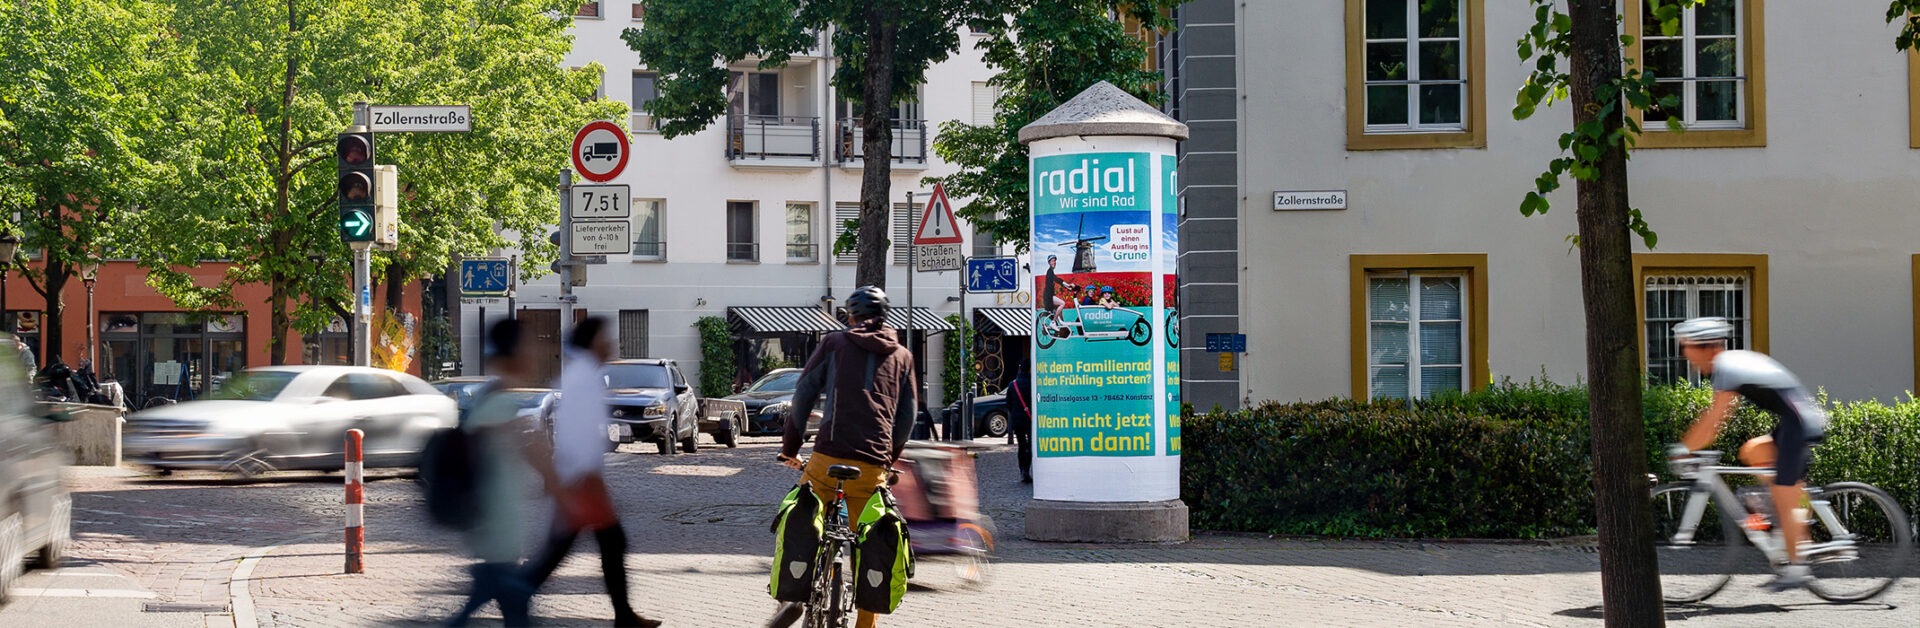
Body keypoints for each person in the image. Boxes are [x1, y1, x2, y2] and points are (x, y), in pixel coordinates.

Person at [770, 286, 917, 628]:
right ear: (886, 317)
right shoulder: (903, 357)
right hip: (871, 466)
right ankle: (865, 622)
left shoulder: (834, 343)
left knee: (804, 516)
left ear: (849, 317)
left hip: (826, 459)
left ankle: (792, 596)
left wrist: (790, 449)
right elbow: (906, 419)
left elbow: (804, 392)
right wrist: (889, 459)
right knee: (871, 542)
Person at [1670, 316, 1828, 591]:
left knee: (1783, 494)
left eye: (1688, 348)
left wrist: (1685, 448)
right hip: (1793, 421)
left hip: (1799, 423)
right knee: (1752, 451)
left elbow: (1713, 422)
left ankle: (1798, 569)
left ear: (1706, 347)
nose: (1685, 355)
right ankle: (1788, 522)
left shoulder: (1726, 368)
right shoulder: (1727, 365)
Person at [522, 317, 657, 628]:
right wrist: (587, 478)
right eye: (604, 337)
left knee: (578, 547)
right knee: (600, 545)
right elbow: (579, 432)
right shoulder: (583, 377)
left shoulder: (583, 373)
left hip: (578, 478)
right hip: (581, 480)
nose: (611, 344)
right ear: (592, 341)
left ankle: (623, 615)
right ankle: (512, 591)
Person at [449, 320, 554, 627]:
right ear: (514, 354)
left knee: (505, 600)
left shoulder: (495, 398)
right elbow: (523, 449)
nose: (536, 353)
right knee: (507, 594)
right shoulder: (497, 402)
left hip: (497, 526)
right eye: (529, 346)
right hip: (496, 523)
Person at [1005, 364, 1033, 484]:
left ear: (1020, 369)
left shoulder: (1013, 384)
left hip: (1017, 420)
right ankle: (1026, 469)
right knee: (1031, 445)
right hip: (1030, 419)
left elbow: (1008, 403)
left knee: (1021, 445)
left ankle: (1022, 469)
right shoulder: (1033, 383)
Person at [1040, 255, 1075, 331]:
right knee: (1062, 303)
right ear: (1049, 262)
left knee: (1060, 313)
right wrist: (1068, 285)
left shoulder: (1051, 272)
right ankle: (1053, 322)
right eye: (1052, 261)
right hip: (1048, 297)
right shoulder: (1049, 272)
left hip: (1049, 296)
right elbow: (1058, 280)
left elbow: (1059, 280)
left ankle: (1064, 329)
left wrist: (1068, 287)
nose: (1054, 262)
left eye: (1055, 261)